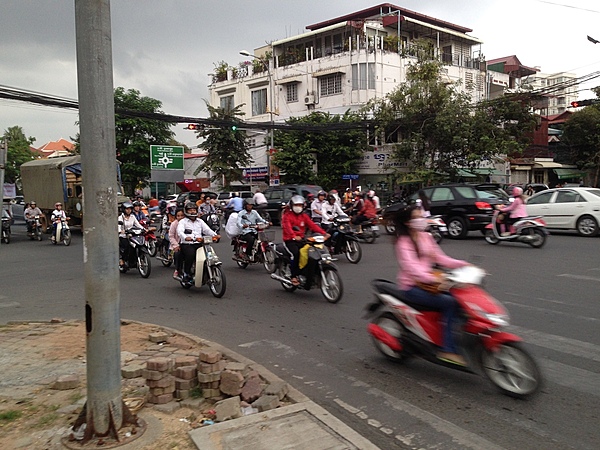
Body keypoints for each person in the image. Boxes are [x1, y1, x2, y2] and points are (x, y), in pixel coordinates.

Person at [393, 203, 469, 365]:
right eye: (416, 217)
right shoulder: (404, 242)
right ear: (408, 222)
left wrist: (463, 264)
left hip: (431, 281)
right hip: (412, 286)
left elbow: (441, 258)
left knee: (463, 298)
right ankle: (448, 349)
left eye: (421, 216)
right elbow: (411, 268)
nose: (421, 220)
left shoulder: (426, 237)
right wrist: (433, 279)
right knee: (450, 303)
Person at [281, 195, 328, 286]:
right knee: (296, 254)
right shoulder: (287, 216)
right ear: (292, 205)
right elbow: (287, 228)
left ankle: (308, 273)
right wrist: (294, 236)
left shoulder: (304, 216)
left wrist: (324, 233)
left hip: (302, 240)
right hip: (290, 241)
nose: (298, 207)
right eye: (296, 205)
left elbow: (312, 225)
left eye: (300, 205)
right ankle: (293, 276)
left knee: (312, 253)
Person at [177, 202, 218, 279]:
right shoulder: (183, 222)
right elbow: (180, 232)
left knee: (208, 255)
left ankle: (205, 272)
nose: (192, 211)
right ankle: (186, 273)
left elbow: (207, 230)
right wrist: (186, 237)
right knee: (191, 255)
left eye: (194, 210)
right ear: (186, 211)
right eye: (190, 210)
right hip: (188, 244)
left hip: (200, 243)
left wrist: (214, 235)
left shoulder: (200, 221)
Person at [118, 202, 141, 266]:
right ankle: (122, 259)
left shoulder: (132, 217)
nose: (129, 211)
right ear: (123, 209)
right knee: (127, 247)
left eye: (130, 209)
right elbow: (118, 226)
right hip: (123, 236)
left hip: (132, 235)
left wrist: (144, 229)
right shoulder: (120, 218)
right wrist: (120, 231)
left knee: (137, 245)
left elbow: (138, 225)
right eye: (127, 209)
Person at [168, 208, 185, 279]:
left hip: (189, 243)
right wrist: (176, 245)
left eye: (182, 215)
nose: (180, 217)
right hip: (178, 244)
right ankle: (177, 269)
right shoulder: (174, 224)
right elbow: (171, 236)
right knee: (178, 254)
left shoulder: (188, 222)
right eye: (178, 216)